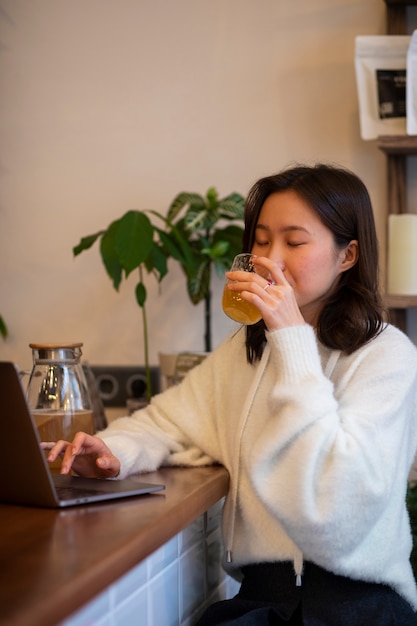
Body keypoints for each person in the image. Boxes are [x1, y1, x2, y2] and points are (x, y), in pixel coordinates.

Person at [46, 164, 417, 625]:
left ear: (348, 256)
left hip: (360, 602)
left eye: (294, 242)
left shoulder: (385, 355)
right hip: (263, 597)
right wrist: (113, 452)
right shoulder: (246, 352)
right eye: (260, 241)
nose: (270, 260)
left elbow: (337, 517)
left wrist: (291, 338)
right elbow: (167, 422)